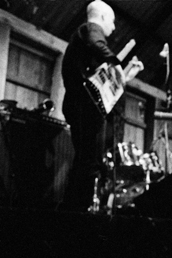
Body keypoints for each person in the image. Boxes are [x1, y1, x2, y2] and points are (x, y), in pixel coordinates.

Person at [61, 0, 124, 212]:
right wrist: (117, 64)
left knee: (86, 160)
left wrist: (126, 75)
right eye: (112, 22)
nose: (113, 28)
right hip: (82, 107)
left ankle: (72, 210)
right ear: (104, 17)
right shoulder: (90, 30)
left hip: (81, 107)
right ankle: (75, 212)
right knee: (88, 163)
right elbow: (97, 44)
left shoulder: (84, 47)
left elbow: (103, 86)